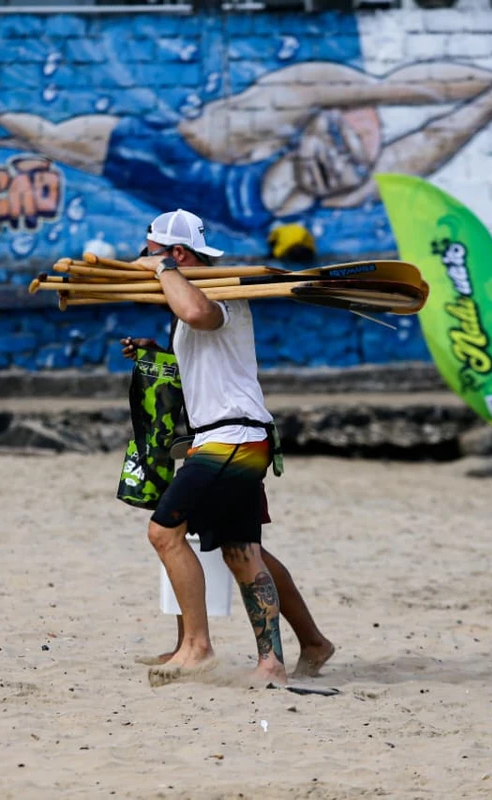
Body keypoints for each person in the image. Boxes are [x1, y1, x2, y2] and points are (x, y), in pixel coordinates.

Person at [0, 18, 492, 233]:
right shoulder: (254, 123)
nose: (342, 162)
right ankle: (15, 124)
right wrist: (23, 131)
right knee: (55, 140)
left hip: (186, 190)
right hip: (157, 158)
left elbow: (431, 140)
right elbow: (409, 87)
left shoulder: (343, 185)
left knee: (56, 140)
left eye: (359, 157)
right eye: (339, 141)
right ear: (309, 129)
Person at [121, 208, 332, 687]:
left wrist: (160, 270)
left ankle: (196, 647)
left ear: (176, 254)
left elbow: (199, 313)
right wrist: (155, 352)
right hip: (232, 436)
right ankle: (284, 657)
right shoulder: (192, 296)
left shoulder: (226, 292)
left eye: (150, 252)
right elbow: (202, 362)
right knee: (241, 550)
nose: (143, 259)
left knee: (165, 533)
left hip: (232, 438)